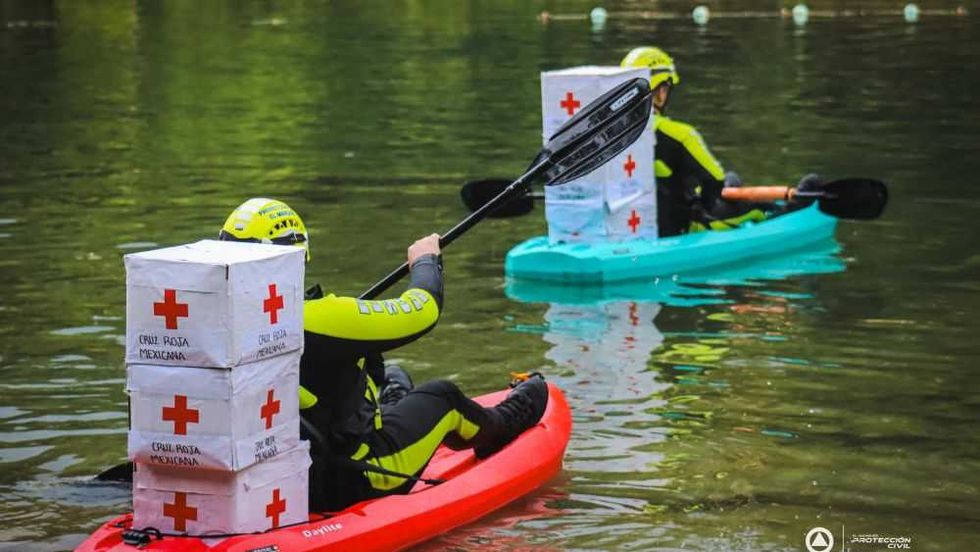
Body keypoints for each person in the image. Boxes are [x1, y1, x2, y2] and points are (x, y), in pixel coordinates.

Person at [217, 197, 549, 512]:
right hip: (345, 479)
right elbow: (423, 310)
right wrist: (426, 261)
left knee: (392, 375)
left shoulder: (204, 325)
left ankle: (392, 401)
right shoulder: (316, 317)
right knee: (443, 397)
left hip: (261, 483)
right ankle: (503, 424)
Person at [620, 46, 772, 237]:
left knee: (732, 179)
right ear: (660, 92)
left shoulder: (608, 134)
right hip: (682, 229)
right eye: (665, 89)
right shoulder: (679, 134)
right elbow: (715, 180)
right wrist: (703, 204)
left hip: (632, 226)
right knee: (763, 203)